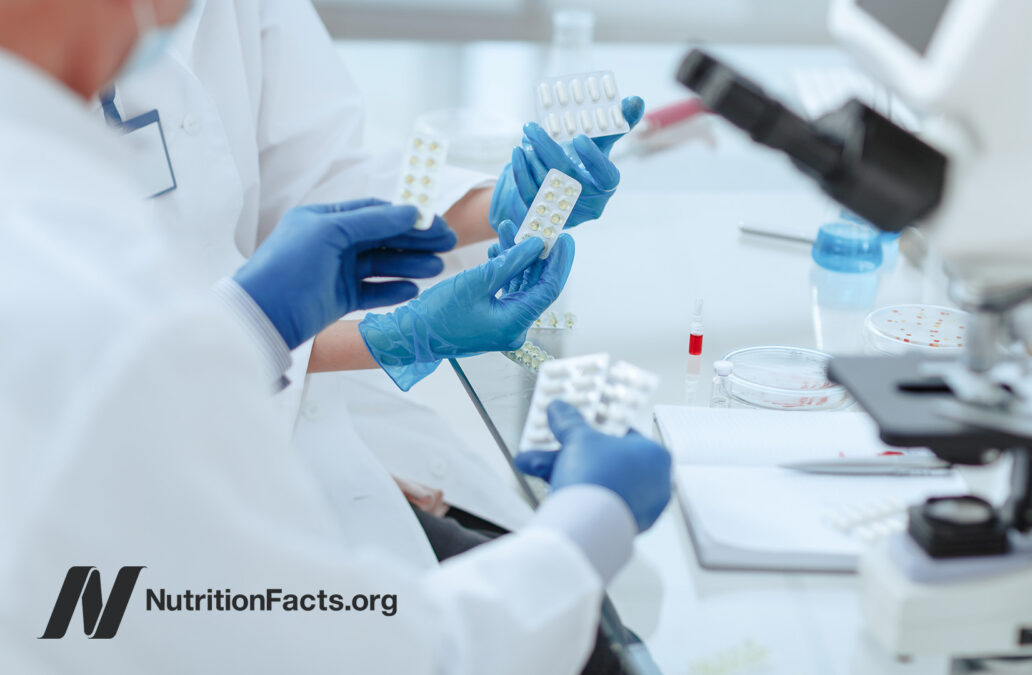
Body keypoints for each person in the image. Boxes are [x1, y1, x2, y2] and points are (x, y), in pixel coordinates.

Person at [0, 1, 672, 672]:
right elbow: (386, 657)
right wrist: (591, 523)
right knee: (601, 638)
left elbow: (331, 180)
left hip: (231, 475)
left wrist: (252, 319)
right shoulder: (86, 302)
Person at [105, 0, 644, 531]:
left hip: (311, 427)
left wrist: (504, 205)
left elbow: (322, 186)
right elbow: (119, 360)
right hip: (154, 478)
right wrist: (394, 337)